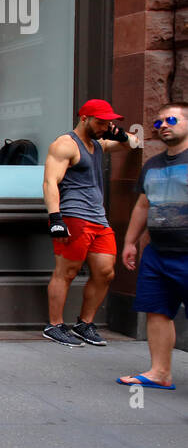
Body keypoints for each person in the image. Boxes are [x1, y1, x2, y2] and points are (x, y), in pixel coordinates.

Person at [42, 98, 140, 347]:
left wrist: (121, 135)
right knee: (67, 272)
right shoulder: (65, 144)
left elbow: (134, 145)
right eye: (100, 122)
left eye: (108, 123)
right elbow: (50, 181)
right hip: (74, 215)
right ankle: (54, 325)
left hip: (98, 218)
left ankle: (84, 324)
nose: (105, 126)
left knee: (106, 272)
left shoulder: (99, 143)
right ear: (84, 118)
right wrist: (56, 218)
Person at [118, 101, 188, 389]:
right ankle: (160, 373)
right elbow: (143, 204)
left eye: (170, 120)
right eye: (158, 123)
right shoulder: (152, 164)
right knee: (157, 310)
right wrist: (131, 241)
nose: (163, 126)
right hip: (157, 252)